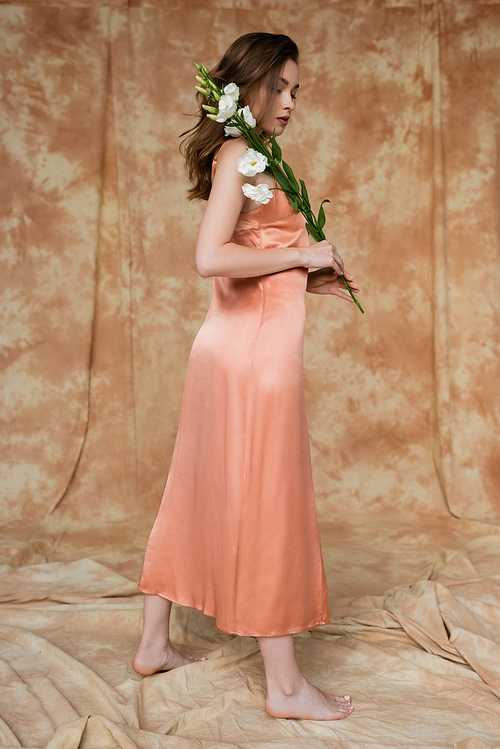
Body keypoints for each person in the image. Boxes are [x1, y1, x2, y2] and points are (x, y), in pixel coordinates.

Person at [133, 32, 358, 721]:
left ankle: (152, 644)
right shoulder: (243, 152)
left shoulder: (256, 153)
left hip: (230, 347)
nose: (290, 101)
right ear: (248, 86)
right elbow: (211, 256)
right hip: (254, 360)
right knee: (269, 502)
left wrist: (307, 275)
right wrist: (307, 250)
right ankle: (285, 686)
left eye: (296, 90)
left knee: (194, 488)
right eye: (280, 87)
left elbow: (254, 251)